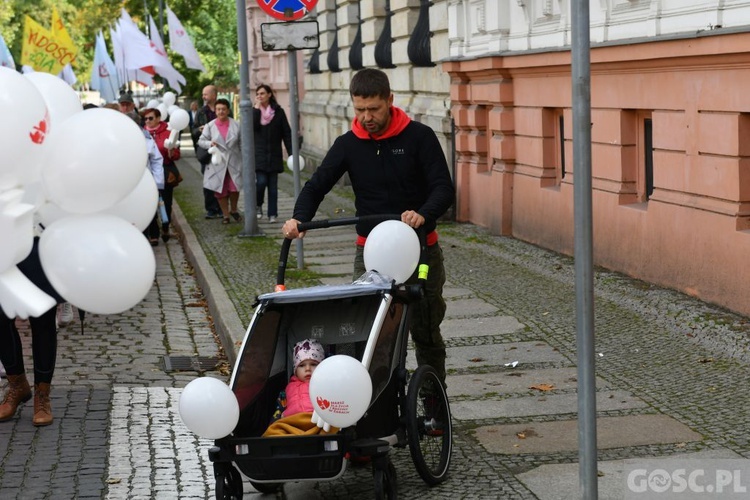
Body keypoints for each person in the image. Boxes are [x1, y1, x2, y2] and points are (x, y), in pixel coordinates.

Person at [281, 68, 455, 384]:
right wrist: (299, 218)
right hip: (370, 255)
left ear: (390, 100)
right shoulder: (349, 144)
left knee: (425, 329)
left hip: (421, 250)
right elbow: (317, 185)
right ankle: (380, 405)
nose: (366, 117)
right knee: (371, 330)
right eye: (359, 109)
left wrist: (423, 214)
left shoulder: (419, 137)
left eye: (373, 109)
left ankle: (433, 400)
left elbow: (443, 188)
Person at [0, 239, 64, 427]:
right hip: (5, 242)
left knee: (42, 319)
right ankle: (18, 385)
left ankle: (42, 395)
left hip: (40, 242)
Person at [198, 98, 242, 225]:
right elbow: (201, 141)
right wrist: (209, 143)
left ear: (228, 110)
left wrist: (243, 159)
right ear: (215, 111)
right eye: (218, 109)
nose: (221, 112)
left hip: (234, 160)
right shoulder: (210, 126)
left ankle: (234, 209)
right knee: (220, 189)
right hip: (217, 162)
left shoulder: (236, 125)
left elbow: (241, 143)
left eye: (223, 109)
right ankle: (225, 215)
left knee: (234, 188)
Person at [253, 84, 292, 223]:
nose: (259, 96)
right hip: (259, 155)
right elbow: (253, 127)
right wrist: (256, 110)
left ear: (269, 94)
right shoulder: (254, 112)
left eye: (262, 93)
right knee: (261, 183)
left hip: (274, 155)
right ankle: (258, 205)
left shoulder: (278, 112)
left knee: (273, 188)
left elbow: (286, 133)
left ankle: (272, 214)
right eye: (257, 94)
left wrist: (291, 153)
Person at [143, 107, 179, 243]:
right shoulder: (142, 133)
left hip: (165, 170)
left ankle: (165, 225)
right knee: (149, 203)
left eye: (150, 118)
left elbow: (176, 154)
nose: (148, 121)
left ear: (158, 118)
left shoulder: (168, 132)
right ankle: (154, 233)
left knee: (165, 202)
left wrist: (171, 153)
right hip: (147, 173)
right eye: (145, 119)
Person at [270, 339, 325, 421]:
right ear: (295, 370)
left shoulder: (324, 385)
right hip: (291, 421)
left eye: (313, 364)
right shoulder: (289, 387)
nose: (307, 369)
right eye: (302, 365)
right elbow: (280, 407)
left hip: (315, 419)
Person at [191, 85, 222, 219]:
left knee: (221, 180)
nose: (203, 97)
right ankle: (211, 208)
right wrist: (199, 130)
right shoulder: (201, 112)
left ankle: (222, 208)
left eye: (206, 94)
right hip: (206, 150)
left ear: (214, 95)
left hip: (221, 150)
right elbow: (193, 131)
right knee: (208, 179)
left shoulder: (222, 109)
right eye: (203, 94)